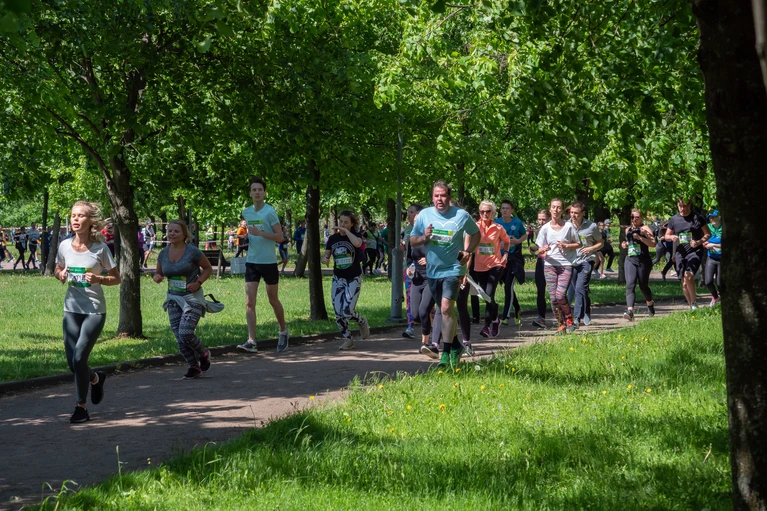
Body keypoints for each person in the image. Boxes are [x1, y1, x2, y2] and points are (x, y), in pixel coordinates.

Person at [54, 201, 121, 423]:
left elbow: (116, 278)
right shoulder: (64, 246)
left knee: (80, 358)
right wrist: (60, 274)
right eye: (73, 215)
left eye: (81, 216)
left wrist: (99, 278)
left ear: (90, 221)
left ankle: (80, 407)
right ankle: (96, 378)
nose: (75, 219)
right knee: (72, 363)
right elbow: (58, 268)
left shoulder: (100, 248)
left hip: (94, 311)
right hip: (71, 309)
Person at [410, 180, 481, 368]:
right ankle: (456, 345)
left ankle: (446, 353)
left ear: (449, 196)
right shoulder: (424, 215)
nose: (439, 199)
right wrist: (424, 237)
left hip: (453, 269)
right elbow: (413, 241)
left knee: (446, 307)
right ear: (432, 197)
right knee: (444, 311)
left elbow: (476, 234)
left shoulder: (461, 215)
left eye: (442, 195)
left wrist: (468, 252)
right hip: (433, 272)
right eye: (436, 196)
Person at [153, 220, 221, 379]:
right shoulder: (163, 253)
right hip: (173, 299)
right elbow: (159, 273)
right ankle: (194, 367)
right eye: (170, 231)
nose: (172, 234)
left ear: (184, 234)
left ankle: (203, 354)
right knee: (179, 337)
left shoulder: (193, 252)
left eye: (176, 231)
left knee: (185, 333)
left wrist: (198, 283)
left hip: (192, 298)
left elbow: (208, 268)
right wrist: (157, 277)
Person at [237, 176, 290, 353]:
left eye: (260, 189)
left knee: (272, 300)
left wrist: (260, 234)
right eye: (254, 190)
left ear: (265, 193)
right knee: (249, 302)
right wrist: (249, 237)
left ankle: (283, 332)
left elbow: (280, 237)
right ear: (250, 193)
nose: (257, 192)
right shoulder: (246, 212)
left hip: (268, 262)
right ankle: (251, 340)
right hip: (252, 261)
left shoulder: (270, 212)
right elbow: (252, 233)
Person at [322, 210, 370, 350]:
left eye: (346, 222)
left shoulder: (356, 236)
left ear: (352, 224)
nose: (342, 224)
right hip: (338, 278)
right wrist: (325, 259)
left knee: (347, 311)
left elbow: (357, 243)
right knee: (338, 312)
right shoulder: (333, 239)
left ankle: (361, 321)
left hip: (353, 278)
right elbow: (326, 255)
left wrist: (346, 232)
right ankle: (348, 339)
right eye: (341, 221)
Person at [535, 198, 581, 334]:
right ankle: (560, 325)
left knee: (560, 295)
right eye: (553, 207)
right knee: (553, 298)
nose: (556, 209)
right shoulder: (545, 228)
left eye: (558, 207)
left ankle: (569, 318)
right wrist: (542, 249)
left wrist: (566, 245)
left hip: (565, 264)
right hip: (549, 265)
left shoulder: (569, 226)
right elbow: (538, 248)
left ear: (562, 210)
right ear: (550, 209)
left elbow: (579, 243)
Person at [665, 197, 710, 310]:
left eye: (684, 206)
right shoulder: (674, 219)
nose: (682, 208)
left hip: (695, 251)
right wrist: (671, 237)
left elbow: (708, 234)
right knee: (684, 282)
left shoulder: (697, 217)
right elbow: (666, 236)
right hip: (680, 253)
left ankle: (694, 303)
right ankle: (691, 306)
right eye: (680, 206)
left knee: (688, 275)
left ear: (689, 205)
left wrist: (698, 242)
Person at [474, 200, 510, 339]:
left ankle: (486, 326)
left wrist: (505, 254)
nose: (484, 214)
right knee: (486, 297)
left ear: (493, 213)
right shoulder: (475, 227)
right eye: (482, 211)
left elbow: (506, 241)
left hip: (496, 265)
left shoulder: (498, 228)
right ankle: (496, 319)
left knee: (489, 295)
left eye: (488, 211)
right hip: (480, 266)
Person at [566, 202, 603, 326]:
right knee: (581, 290)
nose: (573, 215)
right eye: (571, 212)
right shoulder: (566, 225)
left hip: (587, 260)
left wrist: (591, 248)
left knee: (579, 289)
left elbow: (601, 242)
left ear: (583, 213)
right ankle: (586, 311)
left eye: (576, 213)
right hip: (572, 261)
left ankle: (576, 318)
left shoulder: (591, 226)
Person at [494, 200, 527, 326]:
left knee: (508, 286)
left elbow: (524, 235)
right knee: (508, 287)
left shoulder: (517, 222)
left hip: (513, 259)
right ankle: (517, 308)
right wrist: (499, 244)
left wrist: (517, 241)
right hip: (500, 259)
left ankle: (506, 316)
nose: (505, 210)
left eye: (507, 208)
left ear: (512, 210)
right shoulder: (496, 223)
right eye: (503, 208)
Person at [621, 209, 656, 321]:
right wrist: (625, 244)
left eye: (637, 217)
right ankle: (630, 311)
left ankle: (650, 304)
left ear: (641, 218)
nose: (634, 219)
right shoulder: (628, 230)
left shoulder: (645, 229)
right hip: (630, 259)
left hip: (643, 261)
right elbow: (629, 242)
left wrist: (640, 237)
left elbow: (653, 244)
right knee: (630, 284)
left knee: (643, 285)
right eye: (632, 217)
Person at [528, 209, 552, 328]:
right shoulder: (539, 231)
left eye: (544, 219)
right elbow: (538, 246)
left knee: (555, 293)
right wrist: (533, 248)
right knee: (540, 290)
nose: (541, 222)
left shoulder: (555, 229)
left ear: (550, 218)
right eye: (539, 219)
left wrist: (543, 249)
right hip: (541, 261)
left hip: (553, 263)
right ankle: (541, 318)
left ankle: (563, 317)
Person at [402, 204, 420, 339]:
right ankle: (410, 327)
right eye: (408, 212)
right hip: (410, 268)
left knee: (427, 299)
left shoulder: (427, 230)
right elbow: (407, 251)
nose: (409, 214)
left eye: (412, 212)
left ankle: (432, 327)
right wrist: (409, 265)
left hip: (426, 269)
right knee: (409, 298)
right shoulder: (408, 229)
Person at [703, 210, 722, 307]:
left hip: (722, 259)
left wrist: (713, 245)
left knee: (719, 283)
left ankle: (722, 300)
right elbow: (703, 239)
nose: (712, 219)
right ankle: (715, 297)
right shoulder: (708, 227)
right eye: (710, 217)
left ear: (719, 217)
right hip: (711, 258)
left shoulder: (723, 228)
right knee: (708, 281)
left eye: (714, 217)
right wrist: (705, 243)